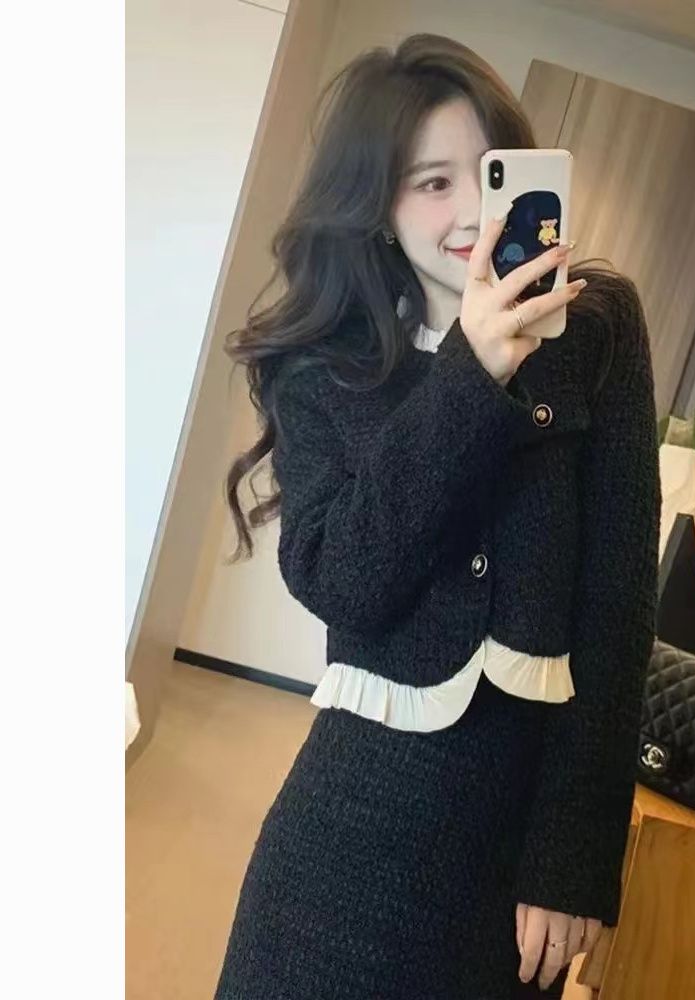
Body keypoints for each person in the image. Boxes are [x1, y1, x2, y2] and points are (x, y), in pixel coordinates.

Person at [214, 33, 660, 1000]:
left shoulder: (599, 331)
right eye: (430, 183)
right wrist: (473, 370)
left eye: (488, 173)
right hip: (344, 841)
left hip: (511, 858)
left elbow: (618, 608)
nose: (469, 213)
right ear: (379, 207)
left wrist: (575, 857)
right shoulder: (324, 369)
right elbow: (344, 581)